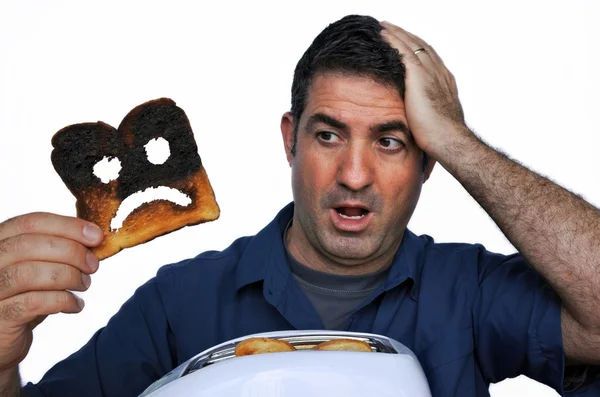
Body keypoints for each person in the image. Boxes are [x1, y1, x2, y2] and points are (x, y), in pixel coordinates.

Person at [1, 14, 599, 397]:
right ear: (290, 139)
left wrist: (458, 140)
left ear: (427, 162)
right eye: (328, 135)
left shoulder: (470, 290)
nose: (355, 175)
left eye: (390, 142)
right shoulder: (178, 302)